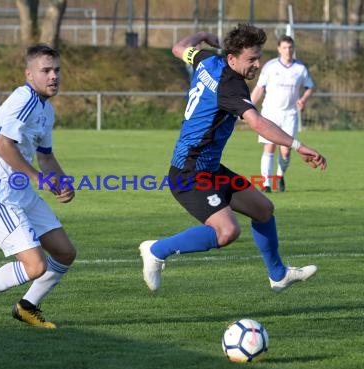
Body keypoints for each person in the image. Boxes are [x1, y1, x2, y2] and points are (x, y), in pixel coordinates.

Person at [139, 24, 327, 293]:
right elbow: (258, 122)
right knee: (227, 232)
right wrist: (297, 145)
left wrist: (202, 36)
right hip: (189, 173)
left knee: (263, 209)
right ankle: (156, 250)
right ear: (232, 58)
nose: (257, 64)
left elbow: (178, 48)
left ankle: (278, 275)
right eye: (251, 59)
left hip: (209, 168)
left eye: (259, 57)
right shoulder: (231, 85)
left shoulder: (206, 59)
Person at [0, 44, 77, 333]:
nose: (53, 76)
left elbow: (45, 155)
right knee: (36, 266)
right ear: (29, 74)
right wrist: (36, 177)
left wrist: (62, 182)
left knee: (65, 253)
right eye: (46, 71)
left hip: (22, 194)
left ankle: (27, 307)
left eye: (57, 70)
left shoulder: (45, 108)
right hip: (0, 194)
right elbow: (2, 145)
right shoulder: (24, 100)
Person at [251, 35, 315, 192]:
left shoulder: (300, 68)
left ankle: (279, 176)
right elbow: (260, 88)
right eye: (285, 47)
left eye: (290, 47)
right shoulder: (270, 67)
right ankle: (266, 183)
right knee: (269, 147)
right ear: (279, 49)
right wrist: (249, 106)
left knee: (286, 150)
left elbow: (310, 87)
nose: (288, 51)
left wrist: (303, 100)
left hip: (290, 114)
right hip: (271, 113)